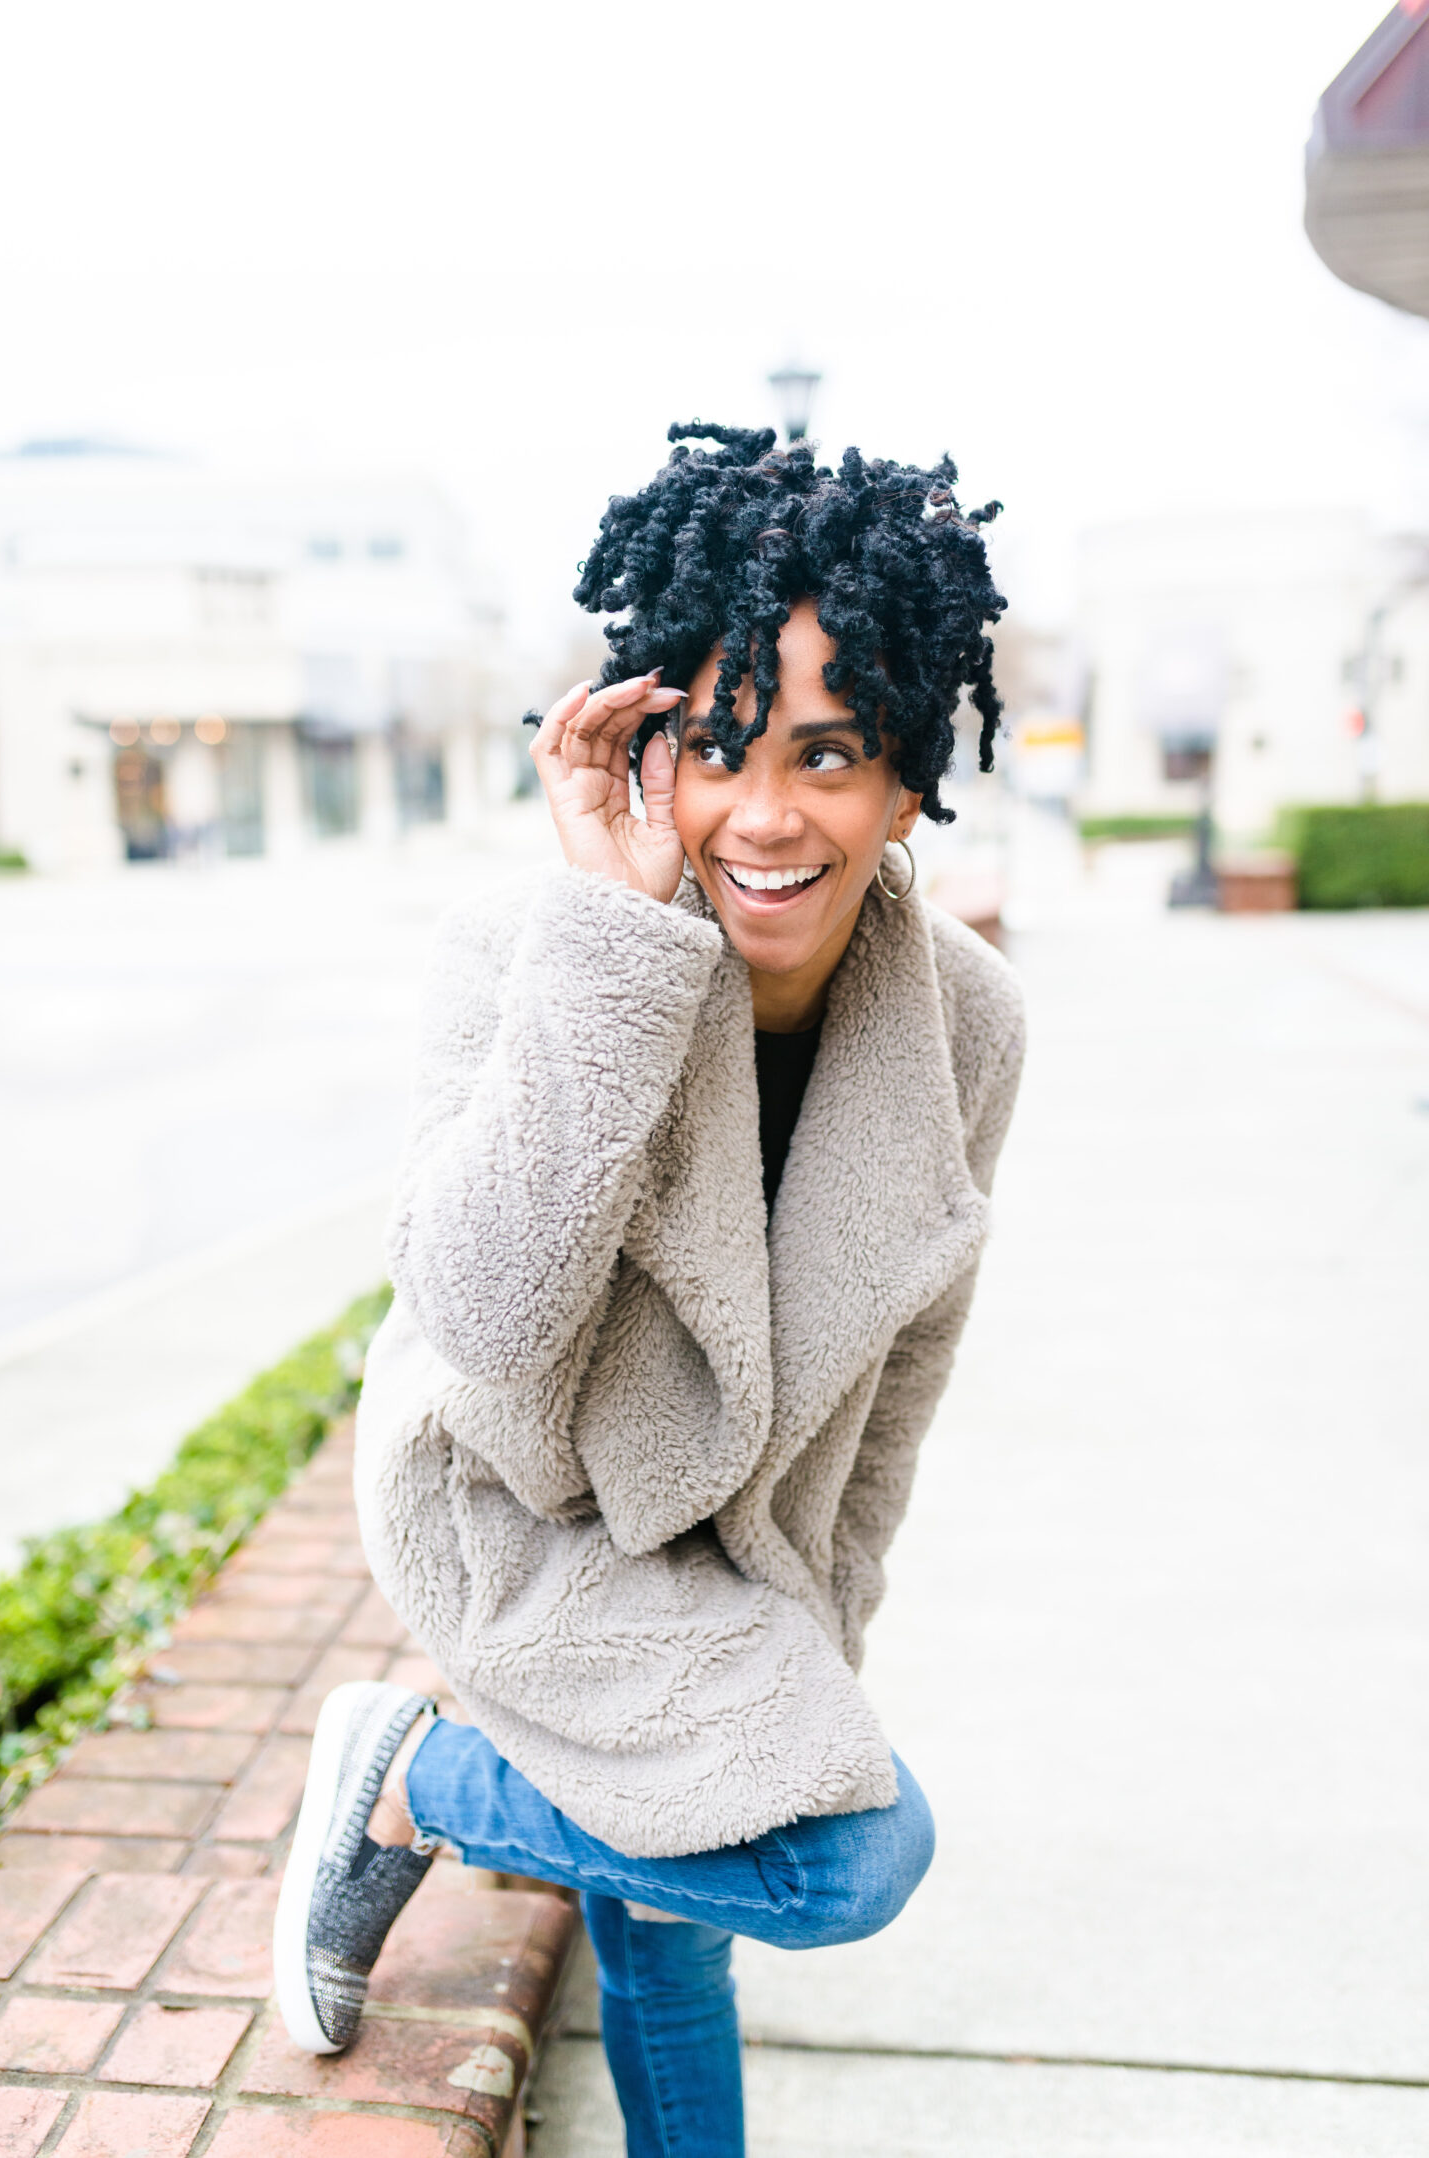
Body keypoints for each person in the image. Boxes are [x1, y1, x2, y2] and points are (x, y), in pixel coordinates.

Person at [273, 422, 1026, 2156]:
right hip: (517, 1506)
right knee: (848, 1859)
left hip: (730, 1538)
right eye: (716, 746)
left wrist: (812, 1650)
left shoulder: (968, 1024)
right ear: (645, 753)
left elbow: (898, 1388)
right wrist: (613, 948)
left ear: (909, 779)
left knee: (676, 1916)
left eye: (831, 757)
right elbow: (479, 1314)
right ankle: (406, 1772)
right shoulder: (522, 944)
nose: (765, 815)